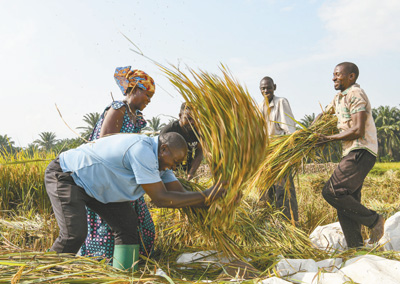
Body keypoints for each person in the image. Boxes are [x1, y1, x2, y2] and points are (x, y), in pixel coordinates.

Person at [45, 132, 226, 254]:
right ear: (164, 149)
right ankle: (45, 276)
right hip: (68, 175)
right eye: (175, 161)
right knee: (73, 234)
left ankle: (123, 277)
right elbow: (162, 199)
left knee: (127, 225)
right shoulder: (143, 150)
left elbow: (179, 193)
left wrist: (212, 198)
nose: (174, 166)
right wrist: (207, 196)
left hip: (97, 186)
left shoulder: (162, 163)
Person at [80, 66, 156, 260]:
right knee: (110, 227)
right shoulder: (118, 108)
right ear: (136, 89)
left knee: (143, 224)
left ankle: (134, 260)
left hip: (124, 179)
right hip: (108, 179)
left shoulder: (137, 118)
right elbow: (104, 145)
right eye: (147, 95)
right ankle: (104, 264)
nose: (149, 100)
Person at [317, 62, 384, 248]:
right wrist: (309, 131)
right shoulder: (339, 97)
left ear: (351, 76)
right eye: (333, 74)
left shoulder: (355, 94)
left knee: (332, 191)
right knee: (346, 200)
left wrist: (328, 138)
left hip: (361, 150)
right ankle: (356, 248)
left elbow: (358, 130)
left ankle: (374, 220)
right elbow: (324, 113)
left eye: (338, 74)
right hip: (352, 152)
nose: (333, 78)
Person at [258, 76, 299, 222]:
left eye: (269, 87)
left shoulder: (281, 102)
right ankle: (268, 226)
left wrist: (288, 152)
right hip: (266, 155)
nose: (266, 90)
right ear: (260, 90)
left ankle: (290, 225)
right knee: (265, 191)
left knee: (284, 191)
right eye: (263, 88)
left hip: (280, 152)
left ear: (274, 87)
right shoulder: (260, 106)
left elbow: (289, 129)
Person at [160, 103, 203, 180]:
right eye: (188, 119)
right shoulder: (169, 131)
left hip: (186, 173)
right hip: (168, 173)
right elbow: (159, 155)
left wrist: (191, 173)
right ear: (180, 116)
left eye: (195, 119)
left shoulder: (197, 131)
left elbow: (199, 153)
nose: (192, 122)